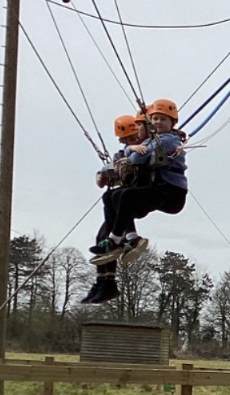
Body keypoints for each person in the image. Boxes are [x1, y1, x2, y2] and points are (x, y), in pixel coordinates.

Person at [91, 97, 188, 268]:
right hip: (158, 188)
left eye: (163, 119)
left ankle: (115, 239)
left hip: (171, 192)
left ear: (172, 123)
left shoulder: (169, 140)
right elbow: (131, 154)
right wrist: (130, 149)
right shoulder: (151, 141)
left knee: (126, 195)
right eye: (155, 118)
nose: (158, 122)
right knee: (111, 196)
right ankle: (130, 239)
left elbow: (137, 158)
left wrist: (132, 151)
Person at [81, 113, 147, 305]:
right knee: (101, 237)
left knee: (114, 220)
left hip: (133, 196)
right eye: (127, 140)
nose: (131, 142)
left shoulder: (146, 148)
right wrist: (104, 174)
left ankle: (129, 238)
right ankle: (104, 282)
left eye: (134, 137)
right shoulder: (122, 154)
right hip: (119, 199)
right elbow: (113, 167)